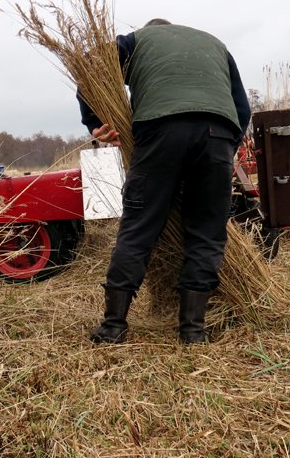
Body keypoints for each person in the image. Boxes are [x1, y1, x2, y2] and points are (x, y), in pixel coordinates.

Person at [77, 18, 250, 344]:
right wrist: (226, 149)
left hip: (159, 131)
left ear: (151, 29)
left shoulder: (136, 41)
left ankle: (113, 326)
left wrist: (95, 122)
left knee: (140, 227)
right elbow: (242, 108)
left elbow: (90, 67)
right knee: (207, 233)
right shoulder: (215, 44)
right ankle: (192, 332)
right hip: (218, 132)